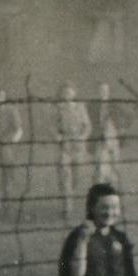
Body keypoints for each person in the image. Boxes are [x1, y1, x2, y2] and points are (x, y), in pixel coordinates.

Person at [54, 84, 93, 218]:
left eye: (70, 92)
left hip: (78, 145)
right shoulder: (58, 108)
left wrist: (83, 137)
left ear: (74, 93)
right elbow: (52, 125)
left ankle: (71, 194)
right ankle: (67, 207)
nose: (67, 95)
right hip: (65, 144)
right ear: (61, 94)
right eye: (65, 92)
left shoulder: (80, 107)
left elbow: (87, 126)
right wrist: (57, 135)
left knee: (77, 175)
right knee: (65, 176)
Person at [89, 82, 126, 186]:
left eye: (105, 90)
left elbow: (124, 119)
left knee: (114, 168)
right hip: (99, 140)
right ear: (97, 92)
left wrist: (120, 129)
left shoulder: (114, 105)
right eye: (101, 90)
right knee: (100, 167)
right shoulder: (92, 106)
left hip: (113, 139)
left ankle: (114, 193)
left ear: (109, 92)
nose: (103, 92)